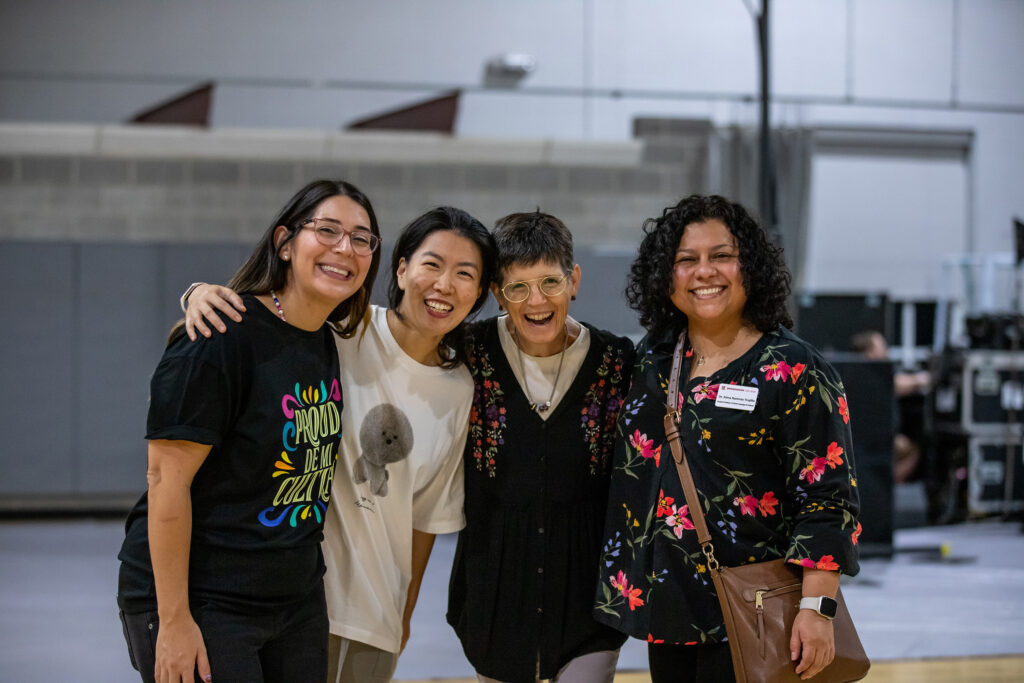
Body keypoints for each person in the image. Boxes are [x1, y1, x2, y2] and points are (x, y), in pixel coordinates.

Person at [181, 206, 496, 683]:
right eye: (432, 264)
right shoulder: (341, 330)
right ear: (402, 267)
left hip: (375, 620)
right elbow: (266, 319)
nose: (445, 285)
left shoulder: (460, 390)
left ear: (478, 294)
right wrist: (199, 293)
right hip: (294, 604)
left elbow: (427, 519)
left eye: (465, 274)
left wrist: (402, 617)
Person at [116, 179, 382, 683]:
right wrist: (173, 621)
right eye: (327, 230)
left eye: (362, 238)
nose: (345, 248)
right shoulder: (220, 337)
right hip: (205, 598)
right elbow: (165, 482)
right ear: (284, 242)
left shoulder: (325, 338)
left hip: (294, 598)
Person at [594, 195, 861, 683]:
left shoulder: (795, 369)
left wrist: (818, 608)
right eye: (685, 260)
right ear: (664, 276)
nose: (704, 272)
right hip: (669, 613)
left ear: (749, 268)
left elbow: (828, 499)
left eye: (721, 256)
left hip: (757, 612)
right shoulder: (652, 359)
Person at [446, 211, 634, 683]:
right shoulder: (468, 351)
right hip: (495, 588)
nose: (536, 301)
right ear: (495, 293)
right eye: (517, 288)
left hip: (589, 594)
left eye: (550, 281)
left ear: (574, 280)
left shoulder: (618, 362)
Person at [850, 330, 930, 483]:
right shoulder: (865, 373)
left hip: (876, 436)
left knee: (910, 446)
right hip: (868, 438)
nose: (886, 352)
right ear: (870, 353)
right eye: (881, 347)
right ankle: (888, 484)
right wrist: (920, 379)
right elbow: (895, 383)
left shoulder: (866, 371)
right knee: (909, 449)